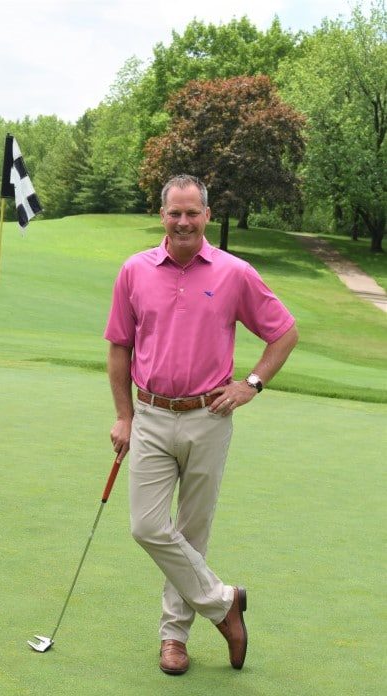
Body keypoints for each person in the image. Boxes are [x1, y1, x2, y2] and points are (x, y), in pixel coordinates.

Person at [104, 174, 298, 675]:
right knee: (147, 525)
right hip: (149, 414)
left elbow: (284, 332)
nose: (184, 221)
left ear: (206, 215)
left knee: (192, 532)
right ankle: (223, 602)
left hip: (209, 418)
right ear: (162, 213)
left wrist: (250, 384)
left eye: (193, 212)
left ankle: (174, 638)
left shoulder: (235, 273)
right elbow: (119, 346)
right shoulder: (134, 270)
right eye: (175, 212)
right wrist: (124, 415)